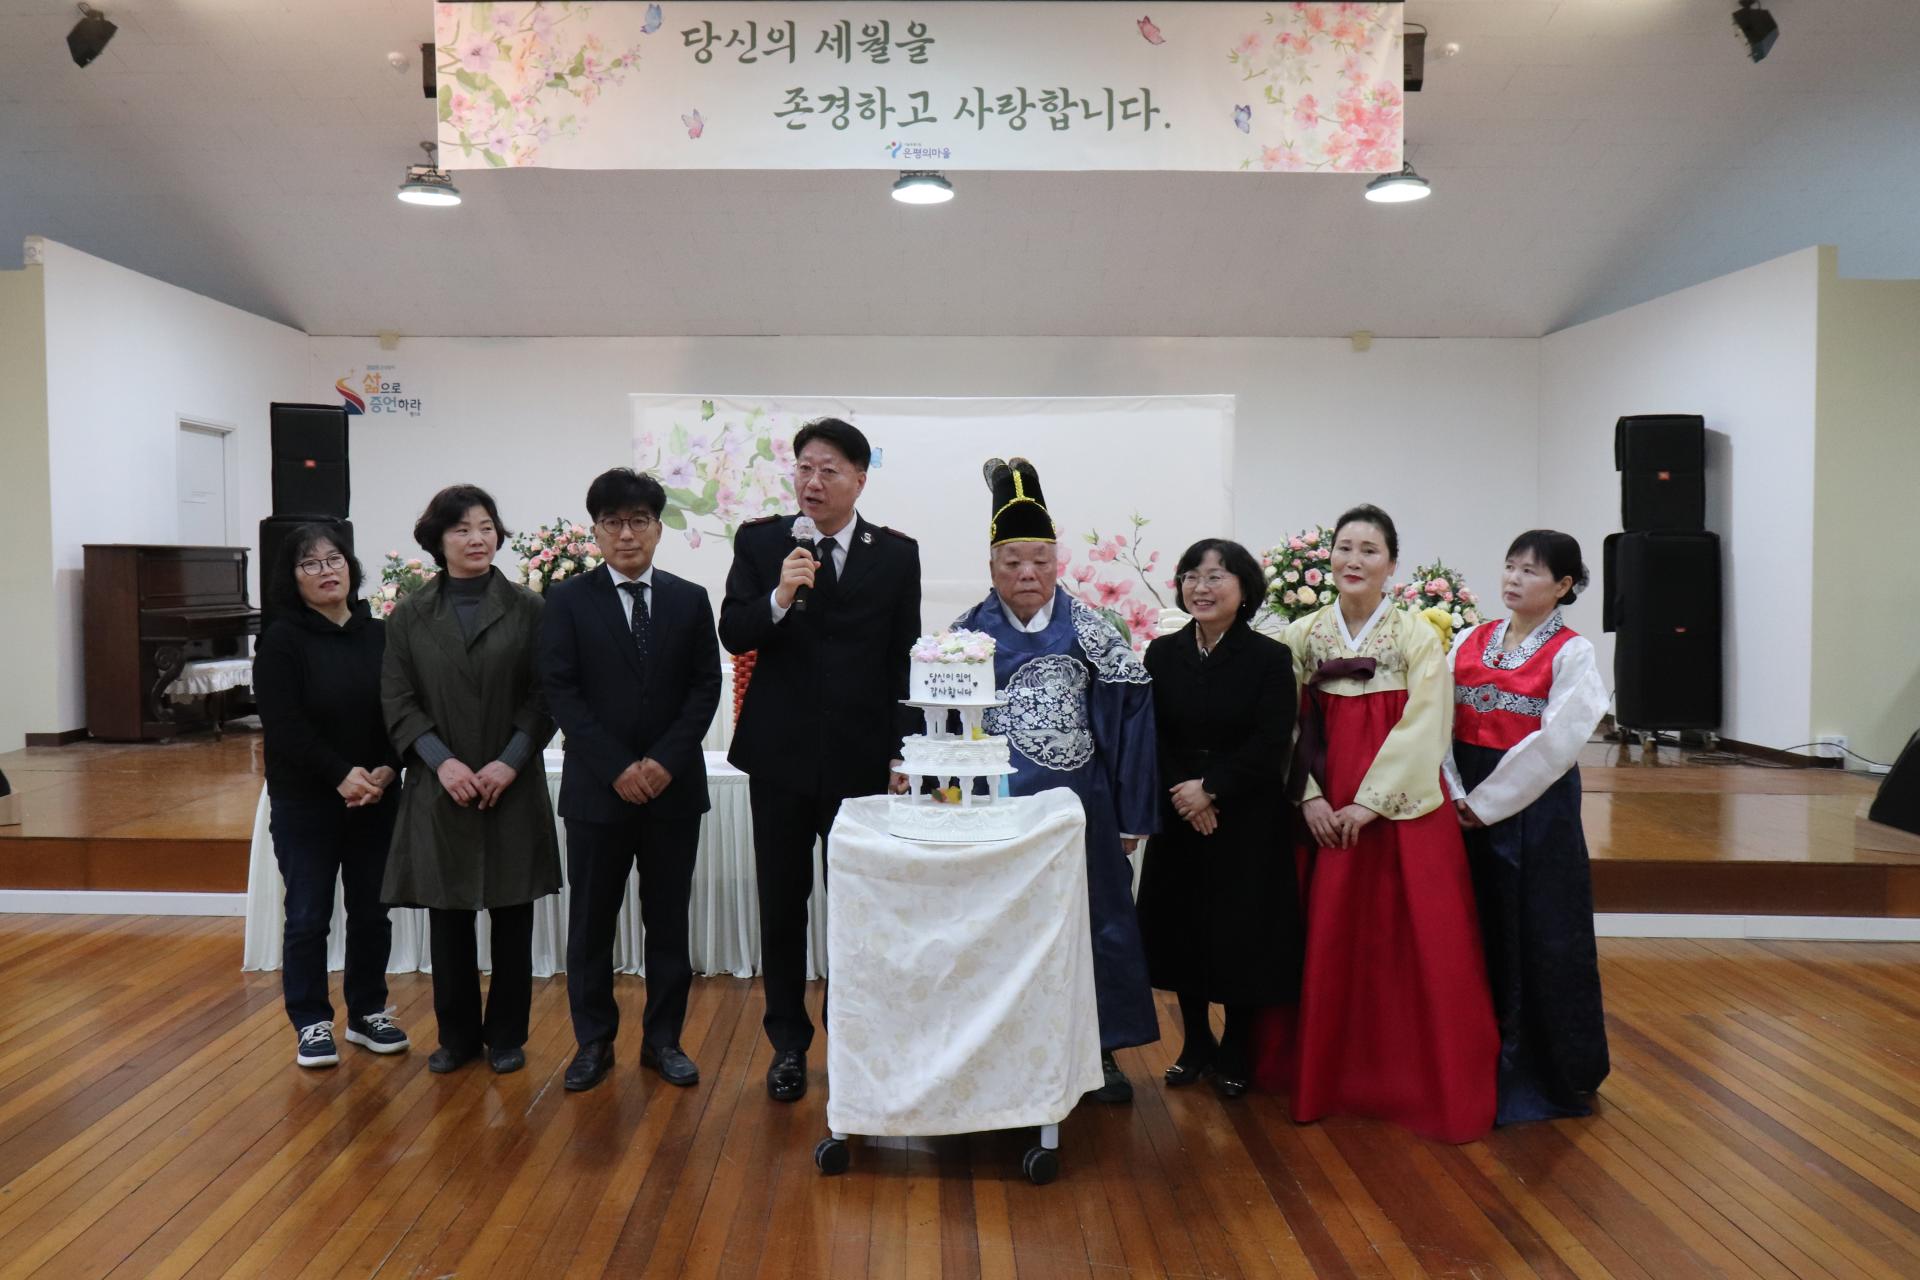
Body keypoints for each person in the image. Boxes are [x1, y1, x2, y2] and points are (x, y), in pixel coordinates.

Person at [1253, 503, 1498, 1143]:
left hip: (1398, 810)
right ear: (1328, 557)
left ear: (1392, 565)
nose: (1354, 560)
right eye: (1345, 547)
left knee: (1412, 937)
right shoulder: (1302, 635)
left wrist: (1369, 804)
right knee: (1321, 931)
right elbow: (1283, 724)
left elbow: (1427, 725)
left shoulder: (1417, 636)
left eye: (1369, 550)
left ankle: (1406, 1078)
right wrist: (1308, 797)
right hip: (1321, 805)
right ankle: (1317, 1072)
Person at [720, 417, 922, 1101]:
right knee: (782, 905)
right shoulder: (762, 542)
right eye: (804, 467)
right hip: (779, 758)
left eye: (829, 469)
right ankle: (788, 1044)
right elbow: (733, 629)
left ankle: (853, 1037)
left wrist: (902, 751)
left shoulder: (894, 554)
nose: (813, 481)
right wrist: (780, 597)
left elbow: (903, 658)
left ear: (859, 479)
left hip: (859, 763)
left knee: (857, 905)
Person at [950, 458, 1159, 1103]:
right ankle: (999, 1046)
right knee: (1002, 928)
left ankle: (1100, 1051)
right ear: (992, 567)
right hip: (996, 816)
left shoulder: (1092, 632)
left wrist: (1129, 818)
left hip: (1082, 814)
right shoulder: (964, 639)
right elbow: (944, 730)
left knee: (1092, 923)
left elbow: (1131, 723)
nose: (1027, 573)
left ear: (1057, 562)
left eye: (1040, 559)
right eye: (1013, 561)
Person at [539, 468, 722, 1093]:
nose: (626, 534)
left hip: (673, 791)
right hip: (598, 792)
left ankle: (664, 1040)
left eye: (638, 521)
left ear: (657, 528)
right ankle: (593, 1042)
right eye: (613, 522)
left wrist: (663, 761)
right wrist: (617, 766)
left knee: (668, 922)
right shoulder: (566, 601)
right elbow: (560, 690)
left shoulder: (689, 599)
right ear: (595, 530)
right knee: (590, 923)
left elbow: (705, 688)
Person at [382, 484, 560, 1075]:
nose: (476, 538)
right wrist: (442, 761)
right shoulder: (410, 614)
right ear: (438, 540)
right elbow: (398, 699)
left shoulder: (531, 608)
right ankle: (455, 1036)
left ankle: (507, 1035)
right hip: (442, 786)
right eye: (461, 529)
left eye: (485, 527)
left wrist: (510, 759)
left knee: (513, 916)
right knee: (448, 915)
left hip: (512, 781)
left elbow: (545, 694)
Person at [1444, 530, 1611, 1124]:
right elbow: (1437, 720)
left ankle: (1543, 1066)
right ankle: (1467, 1056)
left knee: (1540, 931)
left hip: (1535, 808)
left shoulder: (1573, 653)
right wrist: (1455, 793)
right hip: (1461, 800)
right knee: (1472, 926)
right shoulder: (1468, 639)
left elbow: (1556, 743)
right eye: (1510, 566)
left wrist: (1484, 804)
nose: (1513, 579)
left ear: (1563, 586)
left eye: (1531, 571)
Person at [1138, 539, 1299, 1099]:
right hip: (1180, 806)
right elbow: (1152, 732)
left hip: (1246, 812)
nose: (1200, 587)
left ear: (1245, 588)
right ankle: (1196, 1042)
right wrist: (1186, 794)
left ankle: (1236, 1045)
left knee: (1241, 929)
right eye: (1191, 576)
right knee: (1181, 926)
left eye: (1216, 577)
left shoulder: (1269, 658)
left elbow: (1272, 740)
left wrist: (1211, 789)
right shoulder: (1162, 654)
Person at [253, 521, 408, 1068]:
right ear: (292, 578)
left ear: (351, 565)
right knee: (307, 915)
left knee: (372, 913)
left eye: (334, 559)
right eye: (311, 564)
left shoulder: (381, 634)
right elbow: (284, 724)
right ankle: (311, 1022)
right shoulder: (281, 640)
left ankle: (367, 1012)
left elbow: (401, 710)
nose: (326, 571)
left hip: (376, 798)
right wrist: (341, 774)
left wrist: (388, 768)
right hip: (307, 800)